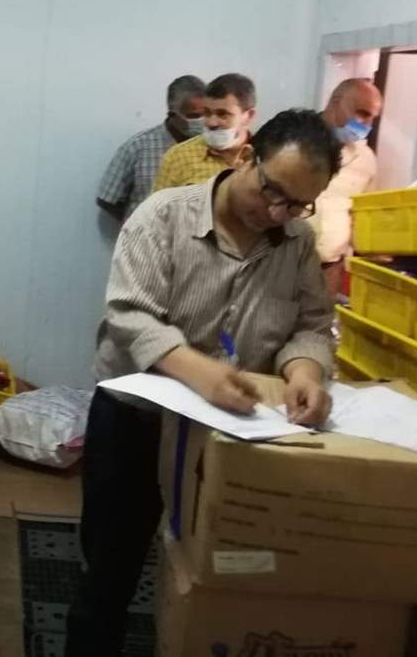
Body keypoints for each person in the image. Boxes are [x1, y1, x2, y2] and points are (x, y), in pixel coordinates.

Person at [66, 109, 341, 657]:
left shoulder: (295, 241)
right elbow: (130, 313)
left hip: (231, 437)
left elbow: (312, 324)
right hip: (137, 425)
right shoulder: (163, 217)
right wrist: (199, 371)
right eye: (272, 192)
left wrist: (304, 371)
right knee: (112, 568)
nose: (277, 213)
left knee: (223, 569)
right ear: (246, 157)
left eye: (296, 205)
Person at [96, 75, 206, 221]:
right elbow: (107, 198)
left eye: (206, 114)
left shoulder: (213, 146)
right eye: (194, 116)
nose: (202, 121)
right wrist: (136, 223)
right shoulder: (137, 147)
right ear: (172, 113)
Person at [313, 77, 384, 294]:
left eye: (372, 118)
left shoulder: (366, 159)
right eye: (362, 113)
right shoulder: (292, 138)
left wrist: (375, 248)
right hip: (281, 265)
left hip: (331, 268)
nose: (367, 124)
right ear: (335, 103)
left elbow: (360, 216)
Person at [152, 73, 257, 192]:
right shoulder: (177, 157)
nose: (212, 123)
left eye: (223, 114)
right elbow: (159, 204)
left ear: (249, 116)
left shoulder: (265, 155)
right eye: (207, 113)